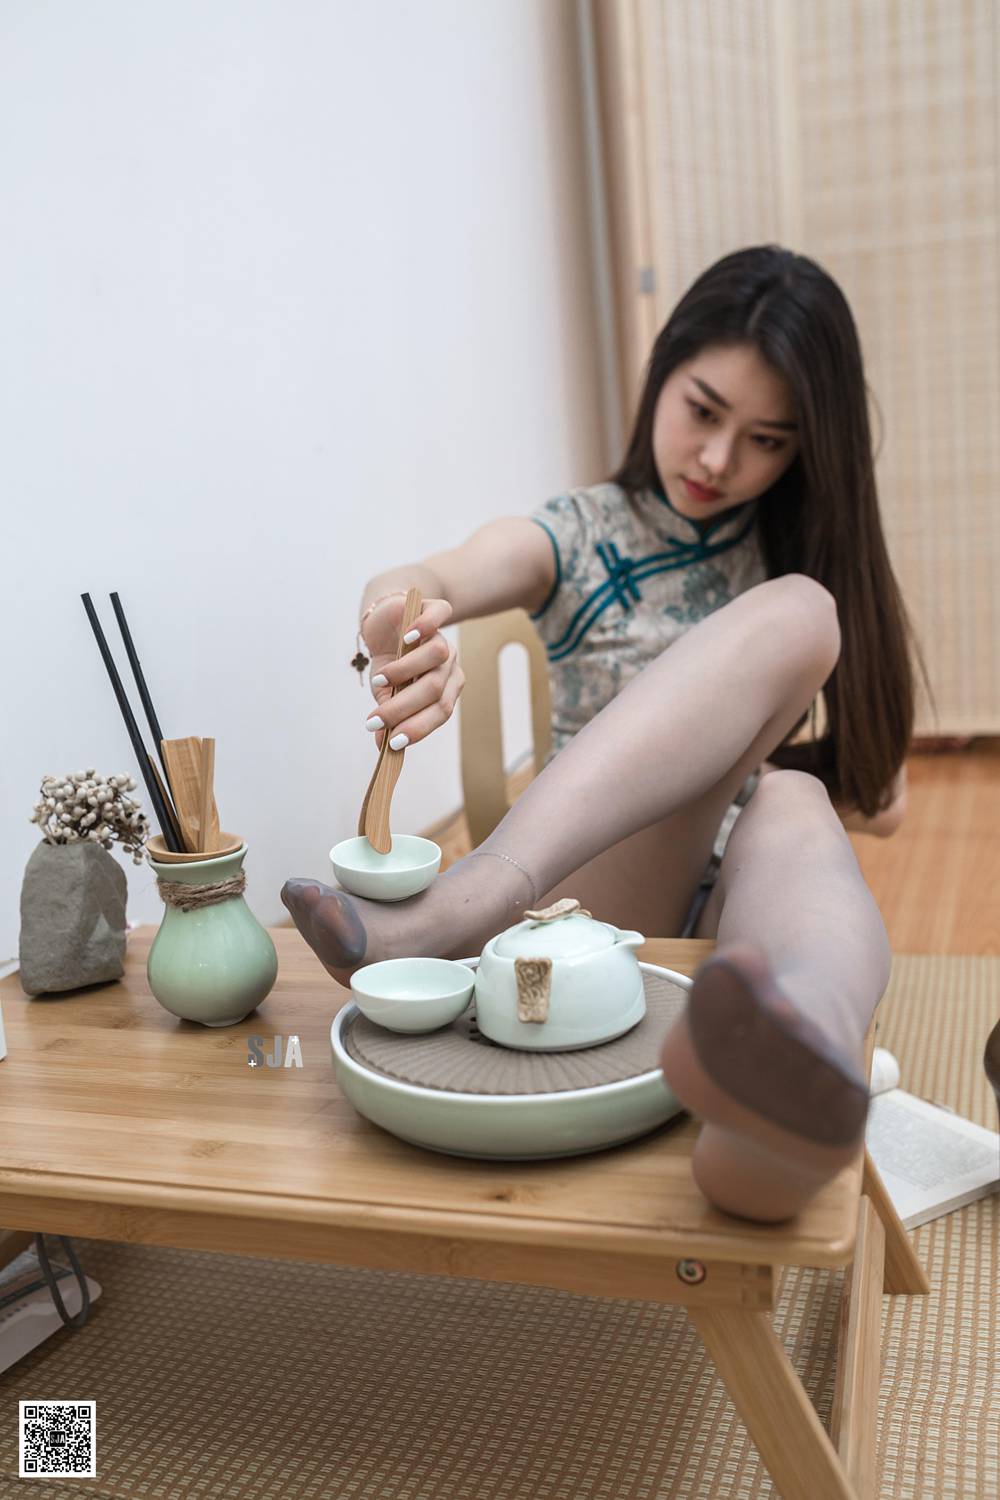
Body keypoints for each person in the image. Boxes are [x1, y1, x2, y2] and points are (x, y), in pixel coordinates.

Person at [282, 244, 919, 1223]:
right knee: (800, 615)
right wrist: (398, 625)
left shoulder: (801, 547)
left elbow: (884, 800)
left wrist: (762, 768)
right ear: (662, 373)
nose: (717, 460)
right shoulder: (579, 534)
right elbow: (437, 574)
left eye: (765, 440)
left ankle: (787, 1109)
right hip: (579, 906)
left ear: (805, 451)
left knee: (791, 794)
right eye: (703, 411)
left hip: (725, 914)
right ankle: (467, 900)